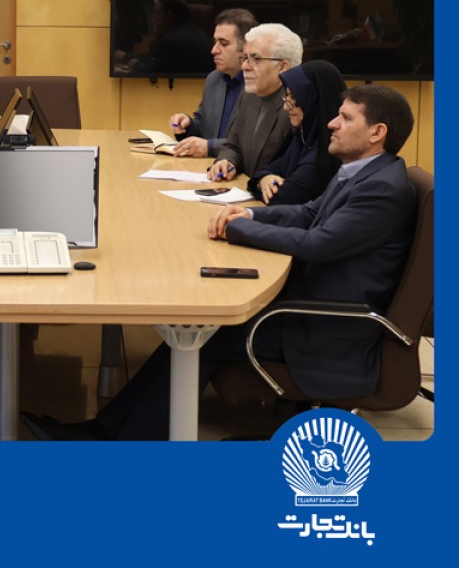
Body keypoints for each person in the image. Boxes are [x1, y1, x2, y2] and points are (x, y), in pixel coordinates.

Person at [21, 83, 416, 440]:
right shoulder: (366, 172)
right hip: (312, 304)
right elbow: (310, 212)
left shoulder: (381, 189)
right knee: (190, 332)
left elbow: (318, 243)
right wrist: (251, 214)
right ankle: (108, 431)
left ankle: (118, 438)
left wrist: (240, 230)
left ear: (377, 132)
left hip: (327, 327)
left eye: (345, 118)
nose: (332, 123)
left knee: (201, 335)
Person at [207, 23, 300, 182]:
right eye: (245, 58)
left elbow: (290, 164)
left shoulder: (296, 105)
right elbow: (233, 144)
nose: (244, 66)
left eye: (256, 59)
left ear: (283, 66)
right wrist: (227, 161)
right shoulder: (249, 95)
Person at [248, 60, 344, 205]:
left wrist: (262, 183)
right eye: (287, 97)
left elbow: (284, 197)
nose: (286, 107)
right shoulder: (302, 137)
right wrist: (264, 179)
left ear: (314, 101)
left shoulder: (326, 152)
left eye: (294, 98)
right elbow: (266, 170)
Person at [169, 8, 257, 158]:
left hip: (239, 168)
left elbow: (254, 142)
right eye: (215, 42)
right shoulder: (213, 79)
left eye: (223, 43)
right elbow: (203, 127)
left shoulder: (259, 85)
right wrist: (187, 124)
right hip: (205, 166)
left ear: (246, 48)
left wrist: (209, 147)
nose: (214, 50)